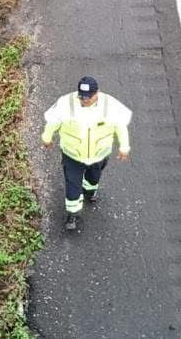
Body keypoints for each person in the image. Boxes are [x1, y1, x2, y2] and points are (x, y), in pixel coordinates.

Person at [41, 76, 132, 231]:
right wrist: (47, 138)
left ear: (97, 93)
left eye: (89, 97)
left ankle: (90, 191)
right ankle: (72, 214)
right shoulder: (66, 103)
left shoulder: (110, 105)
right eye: (82, 97)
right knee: (72, 185)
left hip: (99, 155)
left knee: (93, 178)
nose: (85, 100)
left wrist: (124, 147)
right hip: (72, 156)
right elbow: (53, 123)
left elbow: (121, 127)